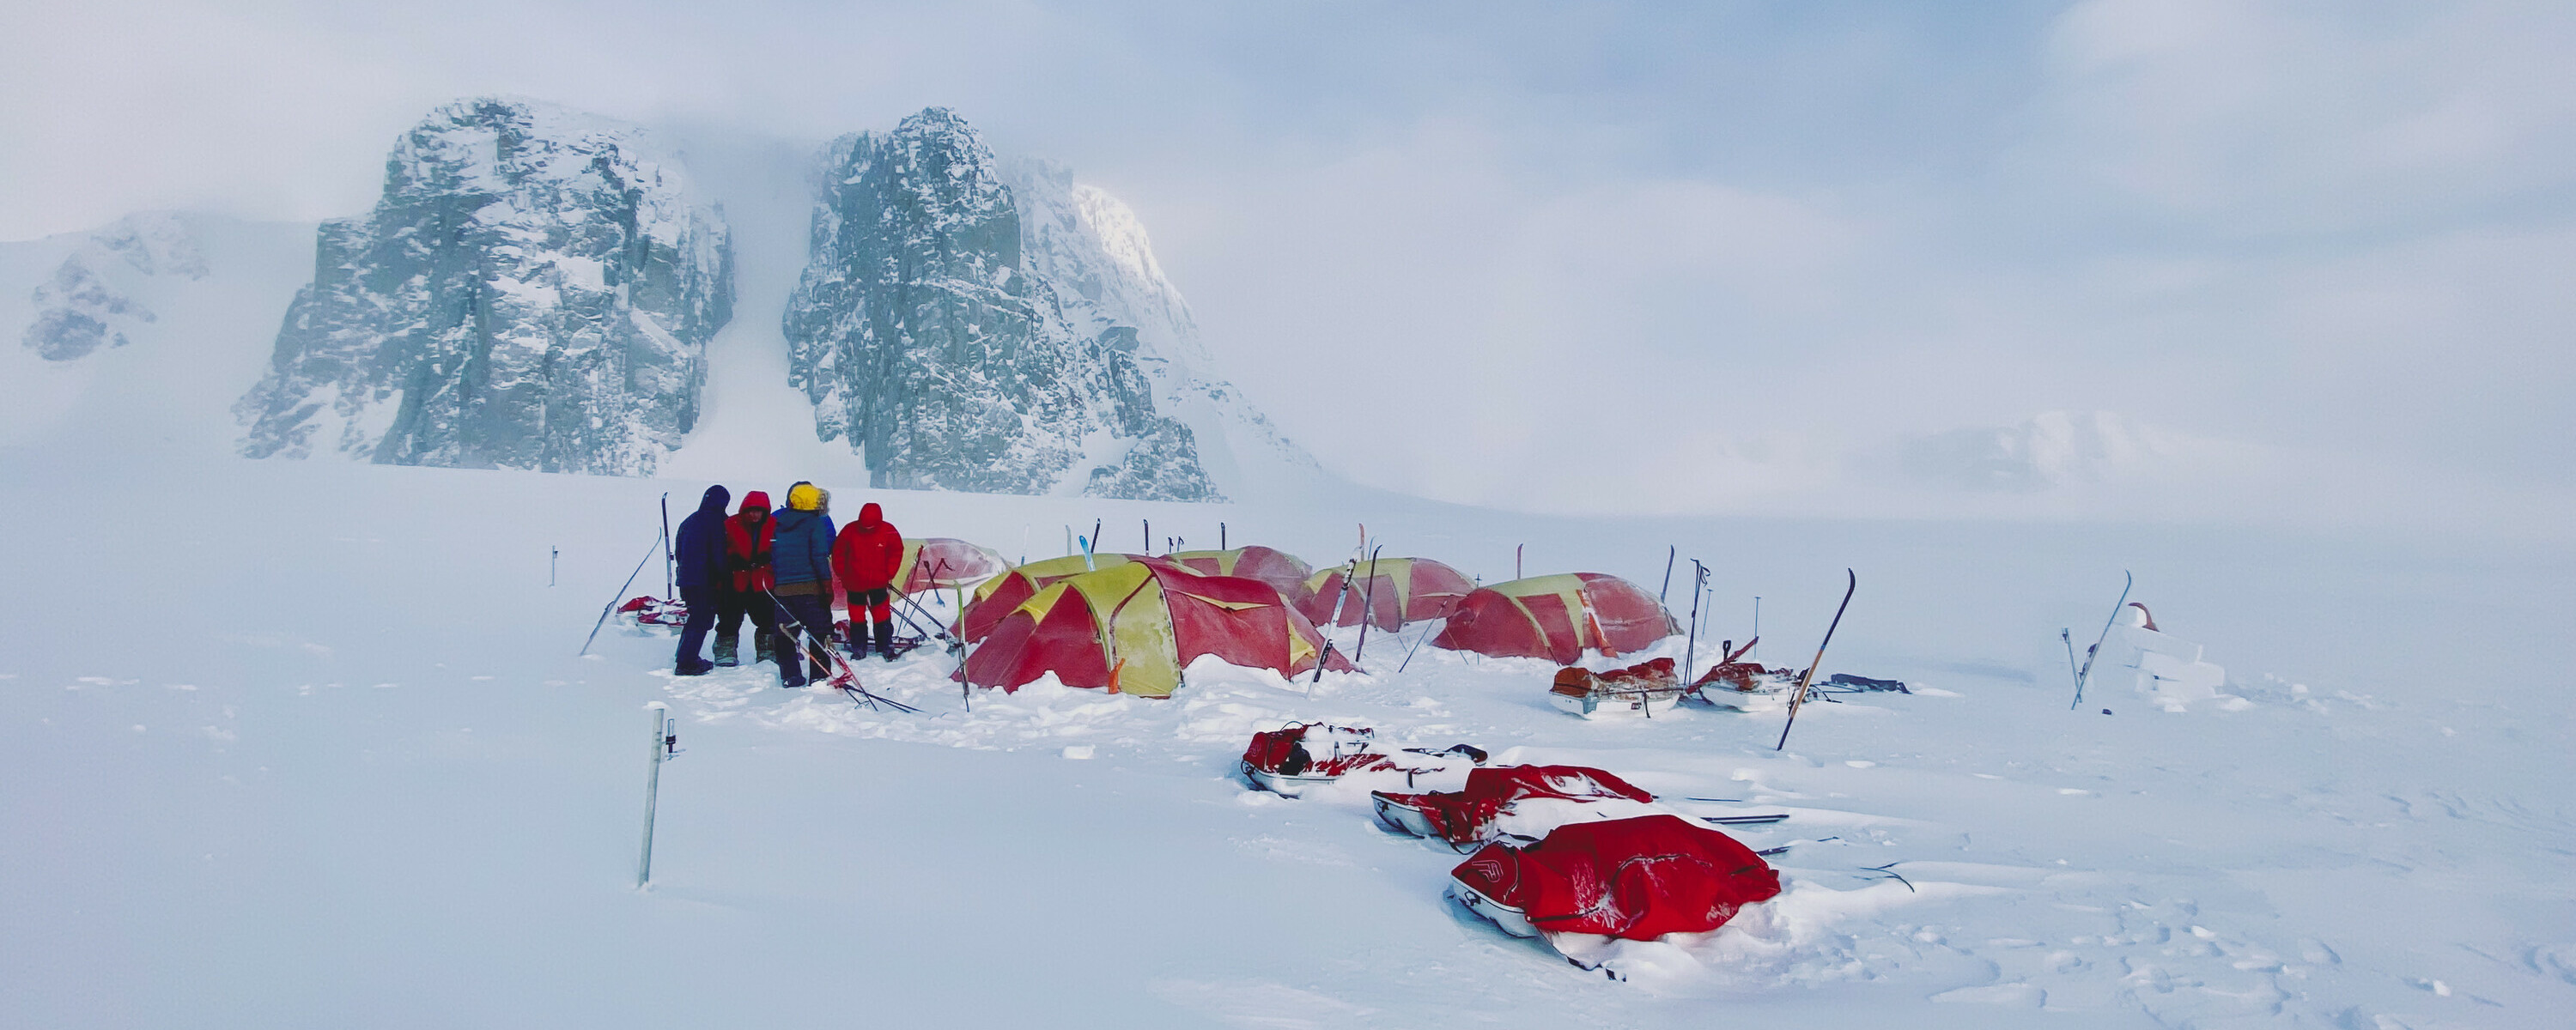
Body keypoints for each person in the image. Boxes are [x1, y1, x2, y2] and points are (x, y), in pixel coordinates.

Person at [768, 481, 837, 688]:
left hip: (782, 590)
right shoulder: (814, 523)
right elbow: (819, 556)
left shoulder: (777, 522)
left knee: (785, 633)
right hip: (810, 588)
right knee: (819, 631)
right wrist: (826, 584)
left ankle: (790, 675)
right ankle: (819, 675)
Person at [832, 501, 905, 660]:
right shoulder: (849, 530)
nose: (867, 529)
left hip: (878, 582)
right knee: (857, 616)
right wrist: (842, 573)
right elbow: (838, 551)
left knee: (882, 615)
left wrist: (889, 572)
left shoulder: (888, 531)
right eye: (865, 526)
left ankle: (885, 646)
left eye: (871, 527)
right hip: (854, 583)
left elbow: (897, 551)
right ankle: (859, 647)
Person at [671, 484, 731, 676]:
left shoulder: (689, 521)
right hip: (705, 580)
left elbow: (679, 551)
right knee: (701, 620)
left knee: (694, 618)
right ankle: (686, 662)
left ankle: (684, 656)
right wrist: (725, 576)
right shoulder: (717, 523)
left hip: (687, 578)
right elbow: (719, 555)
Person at [716, 490, 779, 667]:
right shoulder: (731, 524)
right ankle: (725, 650)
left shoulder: (773, 525)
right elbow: (720, 549)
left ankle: (766, 650)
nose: (754, 515)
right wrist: (731, 559)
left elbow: (780, 549)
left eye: (758, 511)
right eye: (751, 510)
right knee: (730, 617)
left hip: (762, 580)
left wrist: (768, 559)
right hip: (736, 579)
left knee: (766, 617)